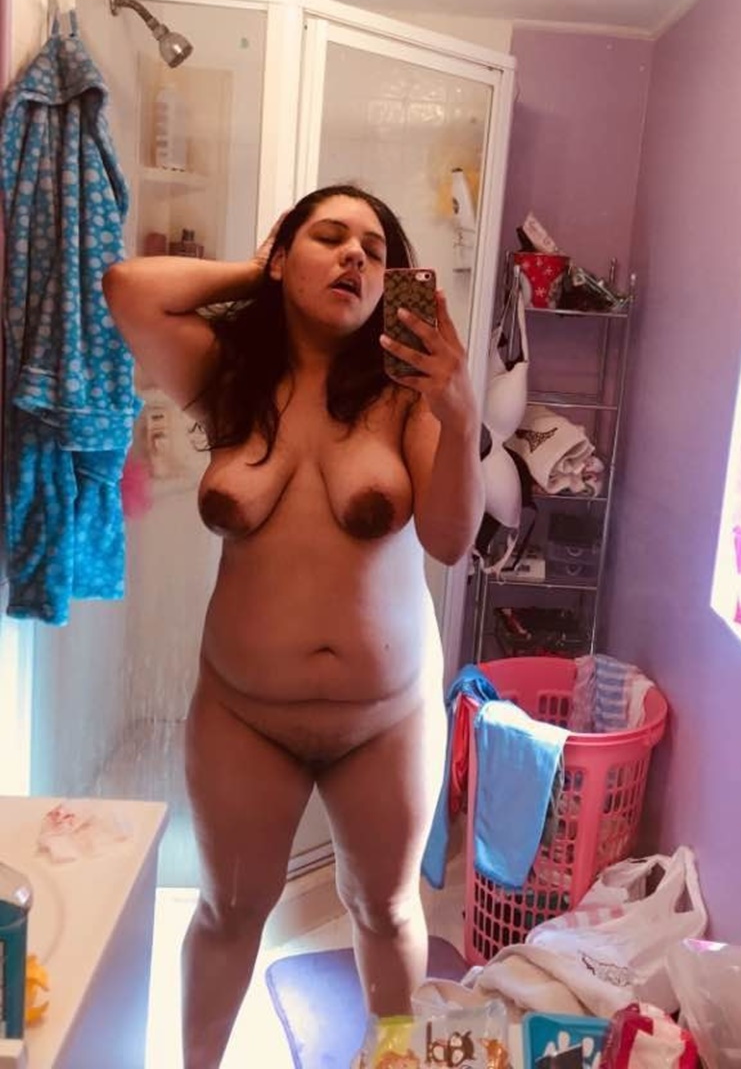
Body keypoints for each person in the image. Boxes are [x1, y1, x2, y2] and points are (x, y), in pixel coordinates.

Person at [103, 185, 484, 1069]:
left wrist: (460, 412)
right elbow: (128, 289)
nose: (356, 256)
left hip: (385, 717)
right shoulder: (229, 380)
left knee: (386, 909)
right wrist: (256, 270)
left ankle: (393, 1062)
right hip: (244, 714)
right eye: (330, 238)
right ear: (283, 256)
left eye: (375, 252)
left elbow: (449, 539)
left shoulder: (405, 396)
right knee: (230, 911)